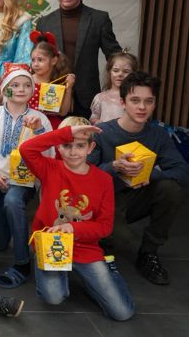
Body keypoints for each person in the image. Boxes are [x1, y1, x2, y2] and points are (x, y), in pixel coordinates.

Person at [21, 125, 135, 321]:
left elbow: (105, 227)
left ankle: (107, 271)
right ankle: (62, 273)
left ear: (90, 148)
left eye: (80, 146)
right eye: (67, 145)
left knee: (122, 313)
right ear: (58, 147)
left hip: (85, 248)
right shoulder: (49, 169)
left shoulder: (104, 180)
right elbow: (26, 149)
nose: (73, 152)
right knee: (54, 297)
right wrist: (67, 132)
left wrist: (72, 227)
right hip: (50, 245)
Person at [88, 71, 189, 285]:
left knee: (171, 188)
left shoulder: (157, 134)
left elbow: (182, 171)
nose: (142, 107)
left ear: (154, 104)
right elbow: (83, 175)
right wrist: (113, 166)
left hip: (137, 197)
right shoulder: (102, 132)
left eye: (148, 101)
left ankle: (149, 253)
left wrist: (151, 175)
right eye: (135, 100)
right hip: (105, 201)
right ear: (123, 102)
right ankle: (98, 241)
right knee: (119, 238)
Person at [0, 67, 52, 288]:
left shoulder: (40, 119)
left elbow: (49, 155)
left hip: (22, 181)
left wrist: (39, 131)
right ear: (4, 89)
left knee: (12, 201)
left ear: (33, 90)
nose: (21, 89)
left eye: (27, 85)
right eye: (14, 85)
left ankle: (22, 263)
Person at [36, 0, 121, 118]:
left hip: (87, 96)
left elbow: (114, 56)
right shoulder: (44, 23)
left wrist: (122, 81)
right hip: (53, 96)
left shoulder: (99, 19)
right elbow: (38, 60)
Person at [27, 31, 75, 129]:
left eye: (40, 60)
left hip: (50, 126)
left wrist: (68, 88)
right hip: (28, 124)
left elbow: (63, 112)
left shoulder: (57, 83)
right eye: (33, 60)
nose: (35, 64)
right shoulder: (27, 80)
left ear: (54, 60)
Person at [89, 51, 138, 124]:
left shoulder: (136, 98)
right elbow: (93, 119)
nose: (120, 74)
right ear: (109, 72)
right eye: (116, 70)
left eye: (126, 71)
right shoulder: (100, 98)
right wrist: (99, 123)